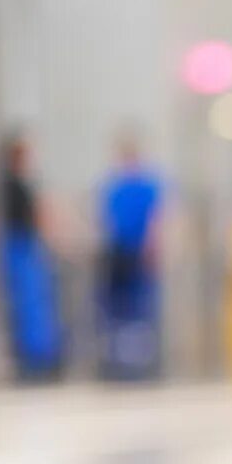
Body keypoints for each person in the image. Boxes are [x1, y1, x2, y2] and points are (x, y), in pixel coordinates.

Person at [0, 133, 65, 380]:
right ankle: (33, 361)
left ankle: (39, 359)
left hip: (25, 246)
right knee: (28, 308)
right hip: (20, 247)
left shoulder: (20, 183)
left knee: (34, 308)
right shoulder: (12, 184)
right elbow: (36, 216)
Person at [95, 132, 164, 379]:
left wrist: (151, 247)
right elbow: (107, 223)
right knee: (120, 311)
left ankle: (142, 363)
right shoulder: (114, 186)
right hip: (119, 255)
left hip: (137, 254)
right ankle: (121, 362)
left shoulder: (147, 185)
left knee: (140, 310)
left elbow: (156, 220)